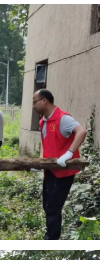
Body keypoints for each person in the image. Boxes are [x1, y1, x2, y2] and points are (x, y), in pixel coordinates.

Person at [32, 89, 88, 240]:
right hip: (50, 170)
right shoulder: (42, 121)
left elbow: (81, 131)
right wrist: (40, 162)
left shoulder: (63, 119)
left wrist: (69, 153)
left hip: (63, 172)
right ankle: (49, 235)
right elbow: (46, 144)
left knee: (53, 208)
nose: (33, 106)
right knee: (47, 206)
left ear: (45, 101)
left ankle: (52, 239)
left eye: (35, 102)